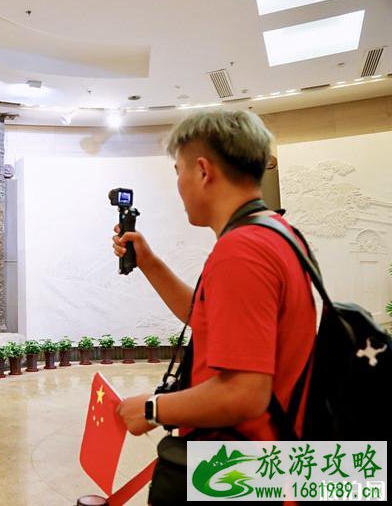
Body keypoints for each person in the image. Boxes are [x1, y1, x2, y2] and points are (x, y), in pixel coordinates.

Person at [113, 110, 316, 441]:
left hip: (239, 472)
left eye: (178, 171)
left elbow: (244, 394)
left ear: (203, 171)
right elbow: (205, 317)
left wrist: (152, 408)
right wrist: (148, 261)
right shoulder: (279, 232)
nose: (178, 184)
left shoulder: (242, 251)